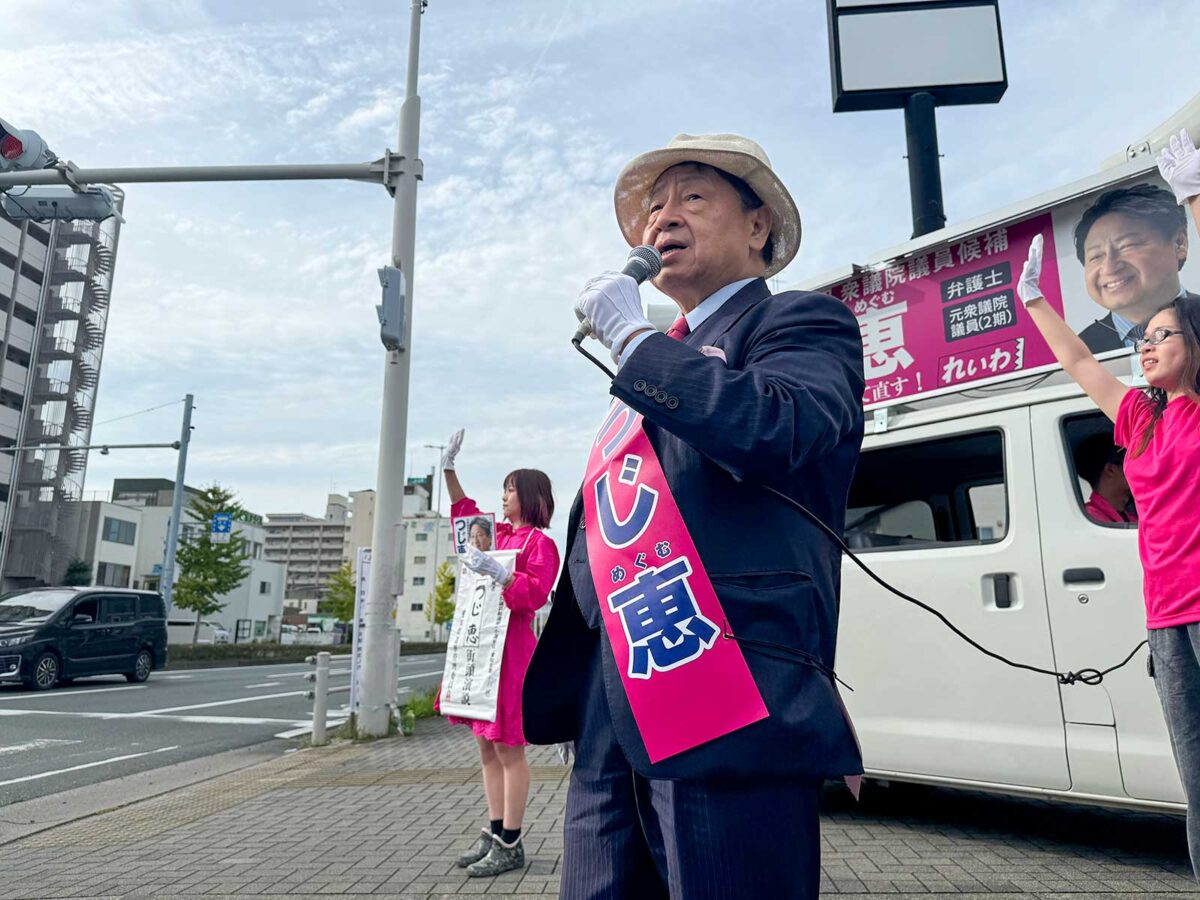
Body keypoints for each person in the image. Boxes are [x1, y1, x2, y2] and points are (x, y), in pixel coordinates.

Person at [523, 133, 865, 899]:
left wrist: (633, 339)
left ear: (758, 226)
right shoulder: (659, 356)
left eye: (692, 197)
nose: (661, 218)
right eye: (653, 206)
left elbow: (782, 428)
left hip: (726, 684)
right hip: (618, 687)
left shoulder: (800, 324)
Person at [1018, 127, 1200, 879]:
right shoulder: (1141, 415)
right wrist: (1031, 299)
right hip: (1167, 618)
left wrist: (1191, 194)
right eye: (1145, 337)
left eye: (1164, 333)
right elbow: (1082, 361)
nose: (1148, 344)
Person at [438, 428, 559, 878]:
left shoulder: (540, 545)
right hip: (482, 648)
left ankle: (512, 840)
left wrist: (503, 576)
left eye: (511, 490)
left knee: (509, 749)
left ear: (530, 497)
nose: (504, 497)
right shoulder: (499, 536)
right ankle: (493, 832)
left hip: (511, 654)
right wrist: (448, 468)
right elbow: (463, 514)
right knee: (486, 747)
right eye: (504, 490)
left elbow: (535, 594)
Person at [1073, 182, 1195, 354]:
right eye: (1096, 256)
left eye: (1128, 245)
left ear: (1179, 243)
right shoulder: (1080, 350)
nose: (1109, 268)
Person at [1074, 435, 1137, 525]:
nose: (1140, 470)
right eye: (1132, 464)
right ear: (1110, 469)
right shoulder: (1091, 520)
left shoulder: (1133, 518)